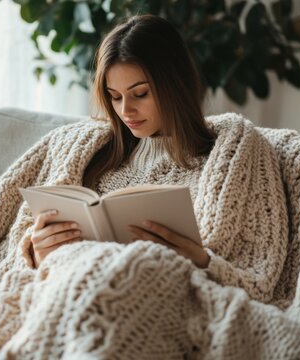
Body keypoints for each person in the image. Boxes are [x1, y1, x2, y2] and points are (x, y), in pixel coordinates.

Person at [29, 14, 223, 270]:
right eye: (115, 97)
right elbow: (30, 246)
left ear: (175, 86)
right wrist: (39, 254)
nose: (125, 110)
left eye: (140, 94)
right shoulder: (98, 156)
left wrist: (202, 260)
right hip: (79, 281)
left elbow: (251, 267)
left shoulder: (219, 162)